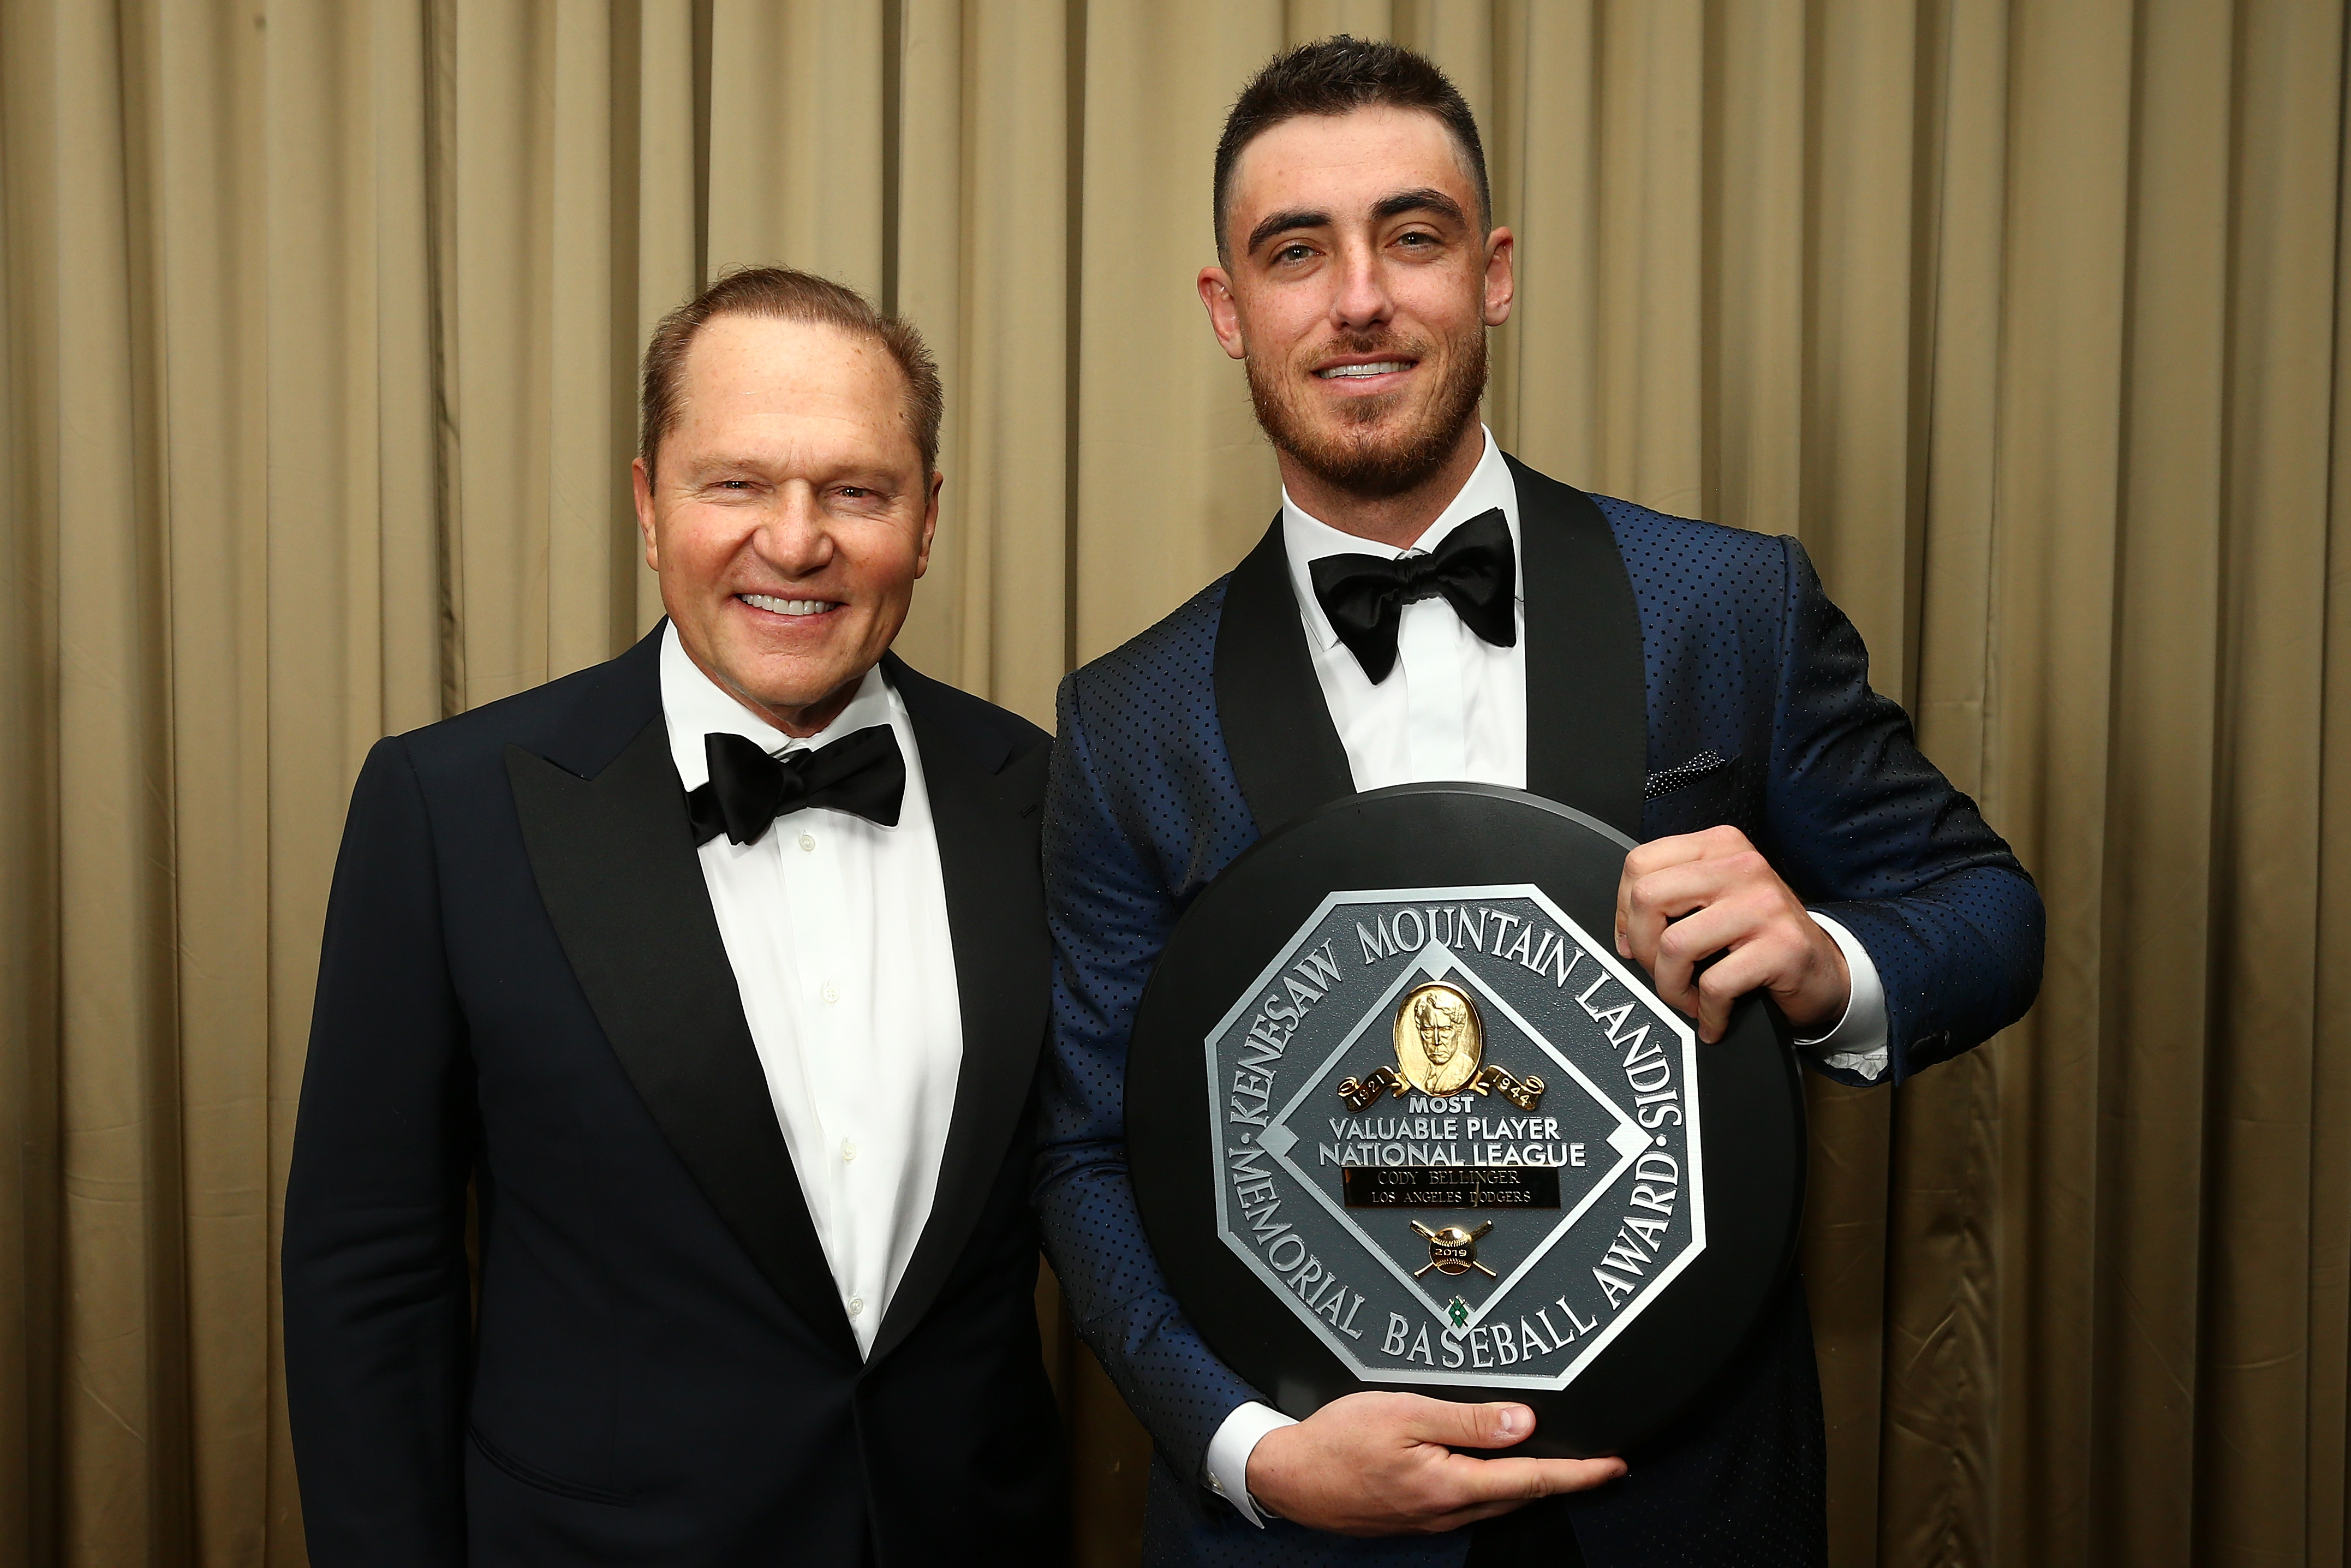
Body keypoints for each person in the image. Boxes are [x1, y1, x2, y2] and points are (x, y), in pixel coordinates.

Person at [1034, 37, 2043, 1568]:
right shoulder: (1126, 721)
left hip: (1686, 1510)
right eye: (1294, 253)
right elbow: (1088, 1153)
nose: (1358, 296)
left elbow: (1988, 915)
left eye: (1412, 236)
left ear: (1491, 272)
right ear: (1227, 310)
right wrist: (1255, 1452)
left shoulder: (1726, 605)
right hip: (1305, 1544)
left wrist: (1826, 962)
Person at [283, 267, 1064, 1566]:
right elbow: (371, 1276)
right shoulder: (448, 807)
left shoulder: (1044, 795)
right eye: (737, 483)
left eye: (856, 491)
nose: (797, 541)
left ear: (926, 521)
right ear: (649, 505)